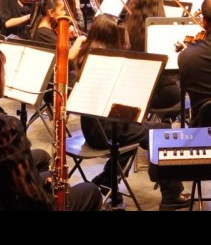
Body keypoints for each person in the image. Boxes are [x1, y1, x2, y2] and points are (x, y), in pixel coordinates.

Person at [0, 42, 102, 211]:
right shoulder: (4, 127)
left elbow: (2, 175)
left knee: (44, 164)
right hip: (12, 206)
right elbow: (33, 201)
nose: (5, 78)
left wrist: (42, 185)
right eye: (3, 73)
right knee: (90, 191)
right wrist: (50, 197)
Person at [75, 14, 190, 210]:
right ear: (112, 39)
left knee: (139, 133)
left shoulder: (87, 56)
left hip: (92, 126)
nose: (125, 43)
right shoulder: (111, 63)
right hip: (106, 128)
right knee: (160, 132)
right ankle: (171, 195)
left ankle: (107, 180)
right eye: (121, 38)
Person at [123, 0, 180, 109]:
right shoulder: (168, 31)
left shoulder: (127, 28)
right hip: (163, 92)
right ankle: (166, 119)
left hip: (134, 90)